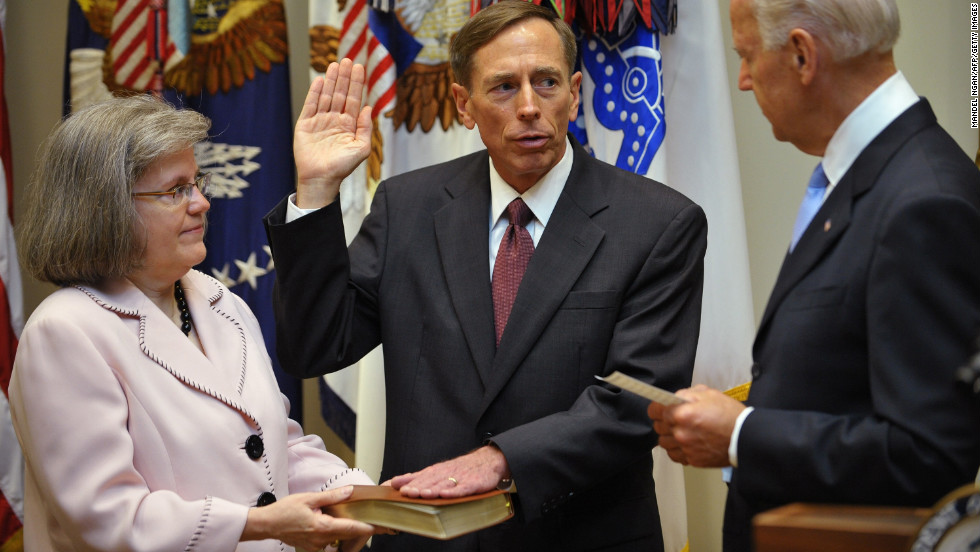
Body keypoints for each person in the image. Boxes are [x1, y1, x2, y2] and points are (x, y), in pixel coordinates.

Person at [262, 2, 707, 550]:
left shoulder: (658, 223)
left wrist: (501, 460)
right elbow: (315, 348)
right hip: (426, 537)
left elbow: (637, 400)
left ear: (573, 92)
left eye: (546, 82)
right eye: (502, 87)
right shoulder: (408, 206)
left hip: (579, 536)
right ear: (462, 104)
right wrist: (316, 192)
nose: (528, 107)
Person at [649, 1, 980, 550]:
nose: (743, 80)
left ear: (803, 55)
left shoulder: (924, 201)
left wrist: (740, 434)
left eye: (748, 56)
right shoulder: (861, 176)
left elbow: (930, 454)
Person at [9, 95, 384, 552]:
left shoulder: (214, 297)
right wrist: (258, 524)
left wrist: (367, 497)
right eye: (175, 190)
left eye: (197, 182)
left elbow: (273, 448)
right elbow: (110, 520)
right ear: (104, 209)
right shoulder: (64, 332)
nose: (203, 203)